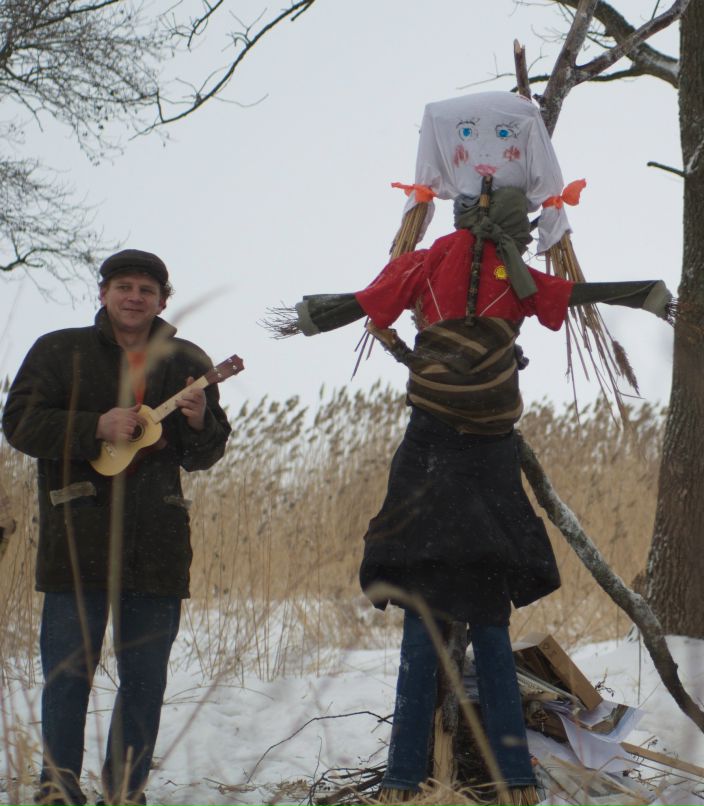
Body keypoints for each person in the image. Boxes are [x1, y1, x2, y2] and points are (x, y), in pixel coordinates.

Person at [268, 92, 674, 805]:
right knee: (487, 621)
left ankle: (404, 781)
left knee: (429, 624)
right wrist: (647, 295)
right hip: (483, 460)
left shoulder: (429, 262)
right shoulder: (508, 274)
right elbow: (570, 297)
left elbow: (369, 303)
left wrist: (307, 317)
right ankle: (508, 782)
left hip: (431, 458)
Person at [2, 249, 232, 806]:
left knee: (146, 679)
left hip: (157, 543)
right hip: (75, 539)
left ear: (162, 301)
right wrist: (93, 426)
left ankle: (125, 792)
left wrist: (201, 420)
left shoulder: (186, 359)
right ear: (103, 292)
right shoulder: (60, 351)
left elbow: (205, 453)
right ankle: (57, 789)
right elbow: (19, 423)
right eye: (124, 286)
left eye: (146, 290)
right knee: (67, 674)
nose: (134, 297)